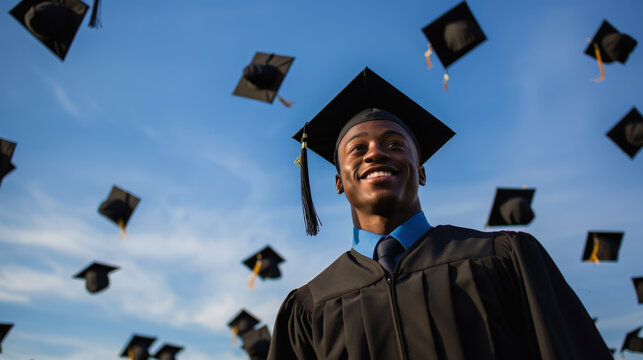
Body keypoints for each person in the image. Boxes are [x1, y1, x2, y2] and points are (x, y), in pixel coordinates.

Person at [268, 68, 612, 360]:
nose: (375, 154)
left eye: (394, 145)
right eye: (358, 148)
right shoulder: (310, 308)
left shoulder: (502, 259)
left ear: (421, 172)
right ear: (339, 181)